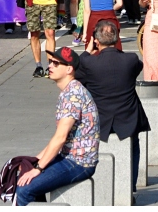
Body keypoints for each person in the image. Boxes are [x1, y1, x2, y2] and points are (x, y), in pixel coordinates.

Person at [12, 46, 98, 206]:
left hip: (79, 163)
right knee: (27, 179)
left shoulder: (73, 95)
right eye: (50, 62)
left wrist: (38, 168)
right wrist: (35, 160)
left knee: (24, 189)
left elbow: (60, 138)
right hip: (69, 157)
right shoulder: (69, 91)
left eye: (55, 63)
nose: (49, 66)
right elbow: (58, 138)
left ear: (69, 69)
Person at [76, 19, 149, 192]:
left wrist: (87, 52)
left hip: (100, 118)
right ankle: (130, 186)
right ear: (117, 39)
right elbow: (137, 69)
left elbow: (77, 71)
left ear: (96, 40)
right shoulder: (131, 59)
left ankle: (102, 184)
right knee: (134, 146)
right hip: (128, 116)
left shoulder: (89, 63)